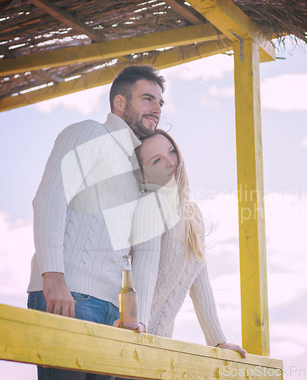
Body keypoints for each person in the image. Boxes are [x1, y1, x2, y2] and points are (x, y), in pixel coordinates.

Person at [26, 65, 165, 380]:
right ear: (119, 103)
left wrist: (136, 318)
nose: (156, 109)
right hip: (67, 295)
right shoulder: (89, 132)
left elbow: (147, 251)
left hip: (115, 315)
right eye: (147, 99)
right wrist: (54, 277)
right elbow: (50, 198)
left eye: (160, 103)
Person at [128, 130, 247, 358]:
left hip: (161, 343)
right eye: (157, 160)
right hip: (134, 337)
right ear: (143, 176)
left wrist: (218, 341)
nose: (171, 162)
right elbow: (145, 269)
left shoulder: (193, 214)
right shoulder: (149, 205)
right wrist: (140, 327)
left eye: (172, 152)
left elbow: (199, 280)